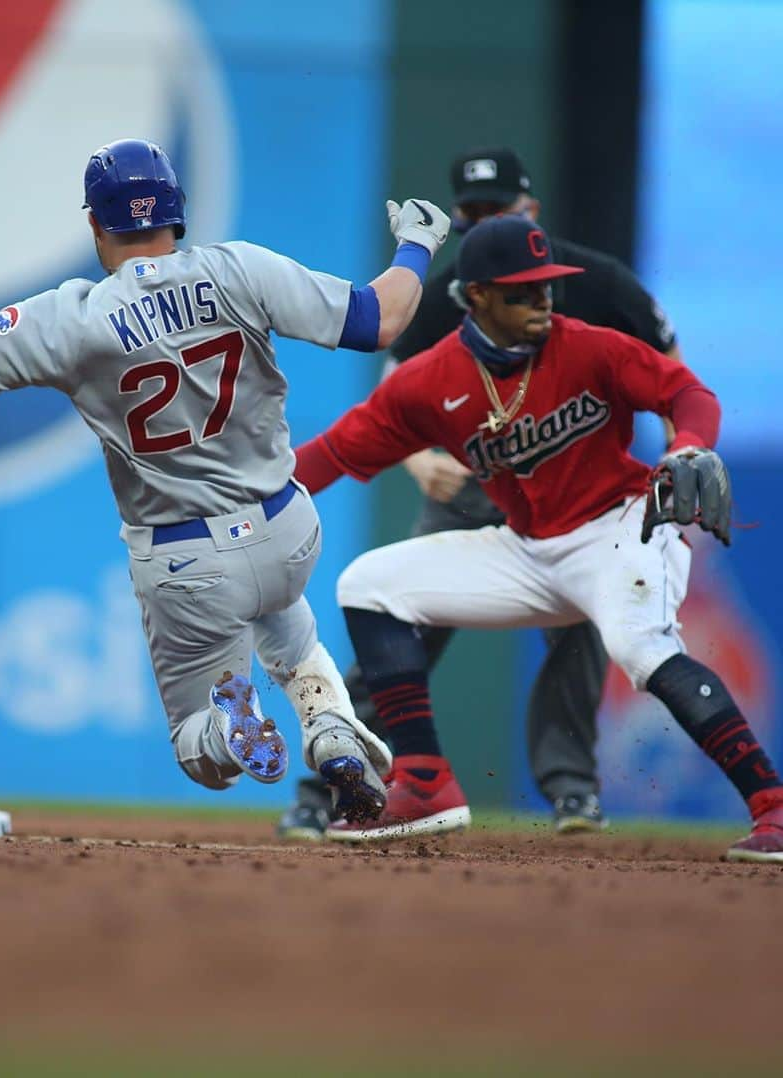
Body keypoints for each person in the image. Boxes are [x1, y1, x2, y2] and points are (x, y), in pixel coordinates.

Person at [0, 138, 453, 824]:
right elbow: (380, 317)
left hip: (187, 558)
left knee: (200, 752)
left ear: (93, 222)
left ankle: (234, 731)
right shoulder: (241, 269)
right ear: (177, 210)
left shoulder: (72, 317)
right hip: (286, 526)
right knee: (288, 625)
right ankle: (330, 729)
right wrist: (418, 244)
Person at [289, 213, 783, 863]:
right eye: (522, 291)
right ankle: (426, 781)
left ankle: (772, 806)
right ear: (476, 297)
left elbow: (686, 394)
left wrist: (690, 444)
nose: (541, 302)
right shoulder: (428, 381)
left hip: (620, 529)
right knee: (369, 585)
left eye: (546, 288)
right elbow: (330, 455)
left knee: (640, 646)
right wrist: (247, 501)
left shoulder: (588, 346)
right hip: (529, 550)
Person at [276, 146, 682, 841]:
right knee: (397, 615)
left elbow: (669, 372)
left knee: (581, 628)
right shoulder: (457, 290)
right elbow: (394, 403)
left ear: (532, 210)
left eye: (500, 208)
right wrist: (419, 462)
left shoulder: (597, 282)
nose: (487, 221)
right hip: (476, 482)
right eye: (474, 212)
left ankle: (572, 792)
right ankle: (332, 785)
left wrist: (681, 458)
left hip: (575, 490)